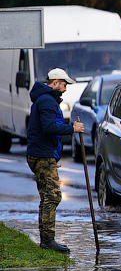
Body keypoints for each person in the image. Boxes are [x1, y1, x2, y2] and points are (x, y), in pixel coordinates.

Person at [26, 68, 85, 254]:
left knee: (47, 197)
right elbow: (49, 127)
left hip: (42, 153)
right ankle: (48, 240)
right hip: (43, 155)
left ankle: (46, 239)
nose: (66, 88)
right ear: (55, 82)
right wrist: (72, 128)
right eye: (64, 84)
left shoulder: (46, 99)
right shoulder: (46, 101)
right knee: (52, 196)